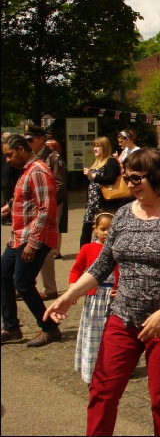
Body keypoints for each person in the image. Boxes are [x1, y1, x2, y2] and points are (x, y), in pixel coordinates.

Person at [44, 148, 160, 436]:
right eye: (126, 177)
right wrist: (68, 295)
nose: (129, 183)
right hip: (124, 317)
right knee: (102, 390)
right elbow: (101, 266)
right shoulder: (122, 215)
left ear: (157, 177)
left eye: (136, 177)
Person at [1, 134, 61, 347]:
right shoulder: (26, 171)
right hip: (19, 237)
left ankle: (50, 328)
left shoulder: (38, 171)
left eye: (10, 155)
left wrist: (34, 243)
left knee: (23, 283)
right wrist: (7, 209)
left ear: (21, 149)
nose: (8, 159)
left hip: (34, 238)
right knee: (4, 275)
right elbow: (25, 200)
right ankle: (11, 328)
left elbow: (45, 209)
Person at [69, 212, 119, 384]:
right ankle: (91, 369)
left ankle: (116, 369)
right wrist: (73, 289)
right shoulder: (88, 248)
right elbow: (76, 270)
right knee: (93, 332)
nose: (106, 233)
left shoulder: (119, 248)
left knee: (115, 335)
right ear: (95, 230)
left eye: (110, 229)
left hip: (115, 299)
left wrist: (121, 288)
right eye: (102, 229)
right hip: (95, 298)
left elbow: (128, 272)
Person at [25, 123, 66, 299]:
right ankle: (26, 283)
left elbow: (60, 185)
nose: (28, 143)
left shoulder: (53, 158)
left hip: (50, 207)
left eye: (31, 140)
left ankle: (50, 288)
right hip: (33, 207)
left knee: (47, 247)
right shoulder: (31, 157)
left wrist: (47, 204)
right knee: (28, 243)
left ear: (42, 139)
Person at [80, 137, 122, 247]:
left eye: (97, 146)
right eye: (94, 146)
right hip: (92, 204)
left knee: (104, 230)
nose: (95, 149)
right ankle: (84, 255)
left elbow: (111, 179)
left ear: (104, 147)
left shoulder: (110, 161)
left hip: (104, 203)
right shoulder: (96, 163)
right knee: (86, 230)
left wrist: (92, 175)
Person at [1, 132, 20, 226]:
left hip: (12, 178)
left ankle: (10, 217)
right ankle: (4, 218)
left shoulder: (14, 150)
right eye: (5, 139)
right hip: (3, 179)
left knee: (11, 198)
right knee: (3, 199)